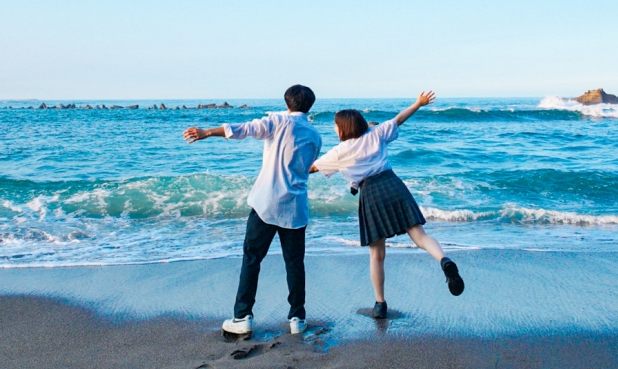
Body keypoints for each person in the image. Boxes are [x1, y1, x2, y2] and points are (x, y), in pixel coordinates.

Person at [311, 91, 463, 320]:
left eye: (335, 125)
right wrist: (418, 103)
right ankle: (444, 260)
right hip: (393, 184)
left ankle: (380, 304)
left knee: (377, 254)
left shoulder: (339, 152)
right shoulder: (375, 133)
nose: (334, 129)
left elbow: (311, 168)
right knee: (420, 236)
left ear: (343, 128)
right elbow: (399, 118)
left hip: (371, 192)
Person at [183, 84, 322, 336]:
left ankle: (242, 316)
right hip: (295, 208)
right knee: (295, 264)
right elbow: (309, 167)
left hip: (267, 203)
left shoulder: (277, 121)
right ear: (309, 106)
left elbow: (242, 129)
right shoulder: (315, 135)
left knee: (252, 259)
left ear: (287, 102)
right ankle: (297, 319)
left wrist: (207, 132)